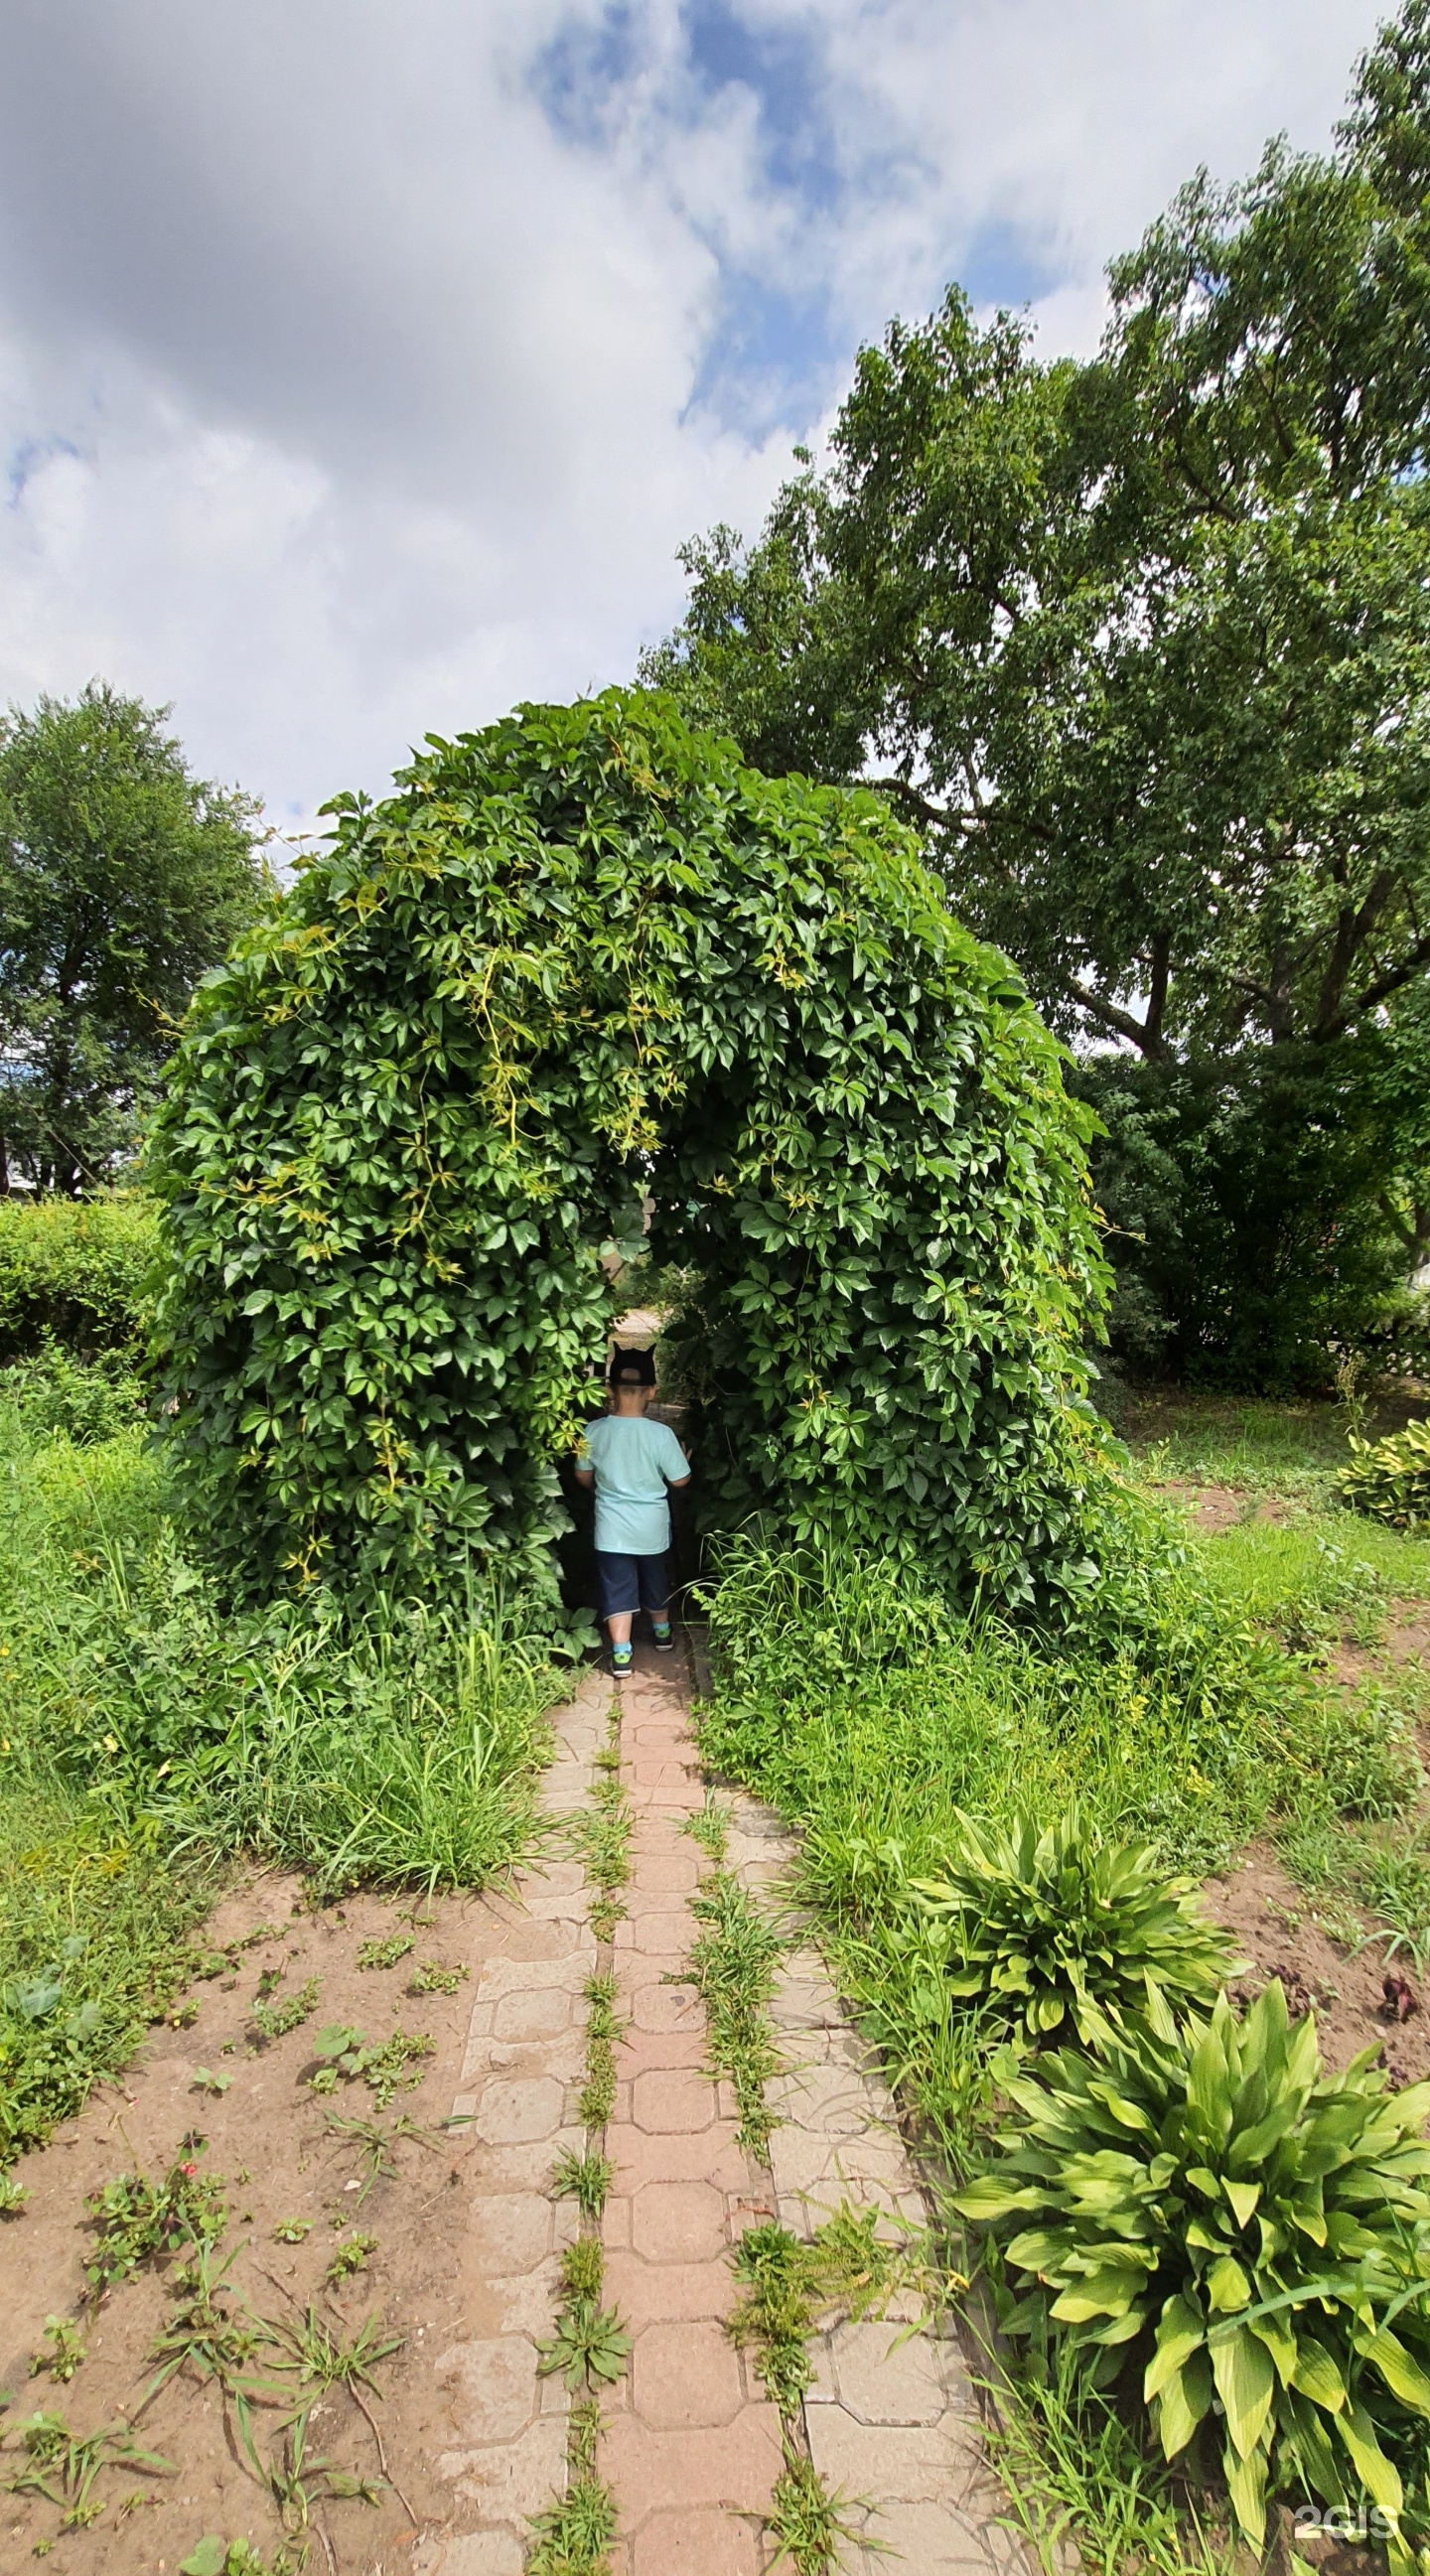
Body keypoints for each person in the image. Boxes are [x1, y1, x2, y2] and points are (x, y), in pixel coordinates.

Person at [574, 1346, 689, 1679]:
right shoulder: (661, 1435)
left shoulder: (593, 1432)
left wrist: (598, 1486)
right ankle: (663, 1633)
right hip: (651, 1529)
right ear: (652, 1391)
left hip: (611, 1530)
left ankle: (622, 1654)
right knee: (655, 1579)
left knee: (617, 1588)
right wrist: (684, 1461)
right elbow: (680, 1480)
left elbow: (582, 1476)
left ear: (609, 1389)